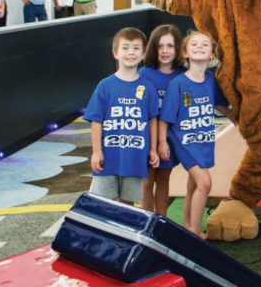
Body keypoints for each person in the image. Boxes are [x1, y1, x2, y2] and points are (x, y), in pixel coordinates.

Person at [160, 30, 233, 238]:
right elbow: (166, 117)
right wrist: (162, 142)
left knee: (193, 186)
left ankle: (187, 225)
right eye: (194, 44)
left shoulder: (210, 80)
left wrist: (234, 118)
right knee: (205, 183)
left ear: (212, 54)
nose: (199, 46)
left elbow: (219, 103)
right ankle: (194, 231)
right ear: (185, 53)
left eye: (204, 44)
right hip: (185, 142)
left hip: (205, 141)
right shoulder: (178, 84)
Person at [84, 27, 160, 205]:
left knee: (127, 205)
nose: (131, 52)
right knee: (103, 204)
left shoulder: (148, 88)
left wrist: (153, 149)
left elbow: (152, 120)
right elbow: (96, 121)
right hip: (107, 159)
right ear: (115, 53)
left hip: (134, 159)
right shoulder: (105, 86)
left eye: (136, 48)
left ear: (143, 54)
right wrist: (96, 151)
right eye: (125, 48)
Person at [138, 24, 186, 215]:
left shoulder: (183, 75)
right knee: (147, 180)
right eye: (160, 46)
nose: (165, 51)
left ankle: (161, 218)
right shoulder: (144, 74)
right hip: (147, 135)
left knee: (164, 179)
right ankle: (146, 219)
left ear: (178, 48)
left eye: (170, 46)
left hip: (170, 138)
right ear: (153, 48)